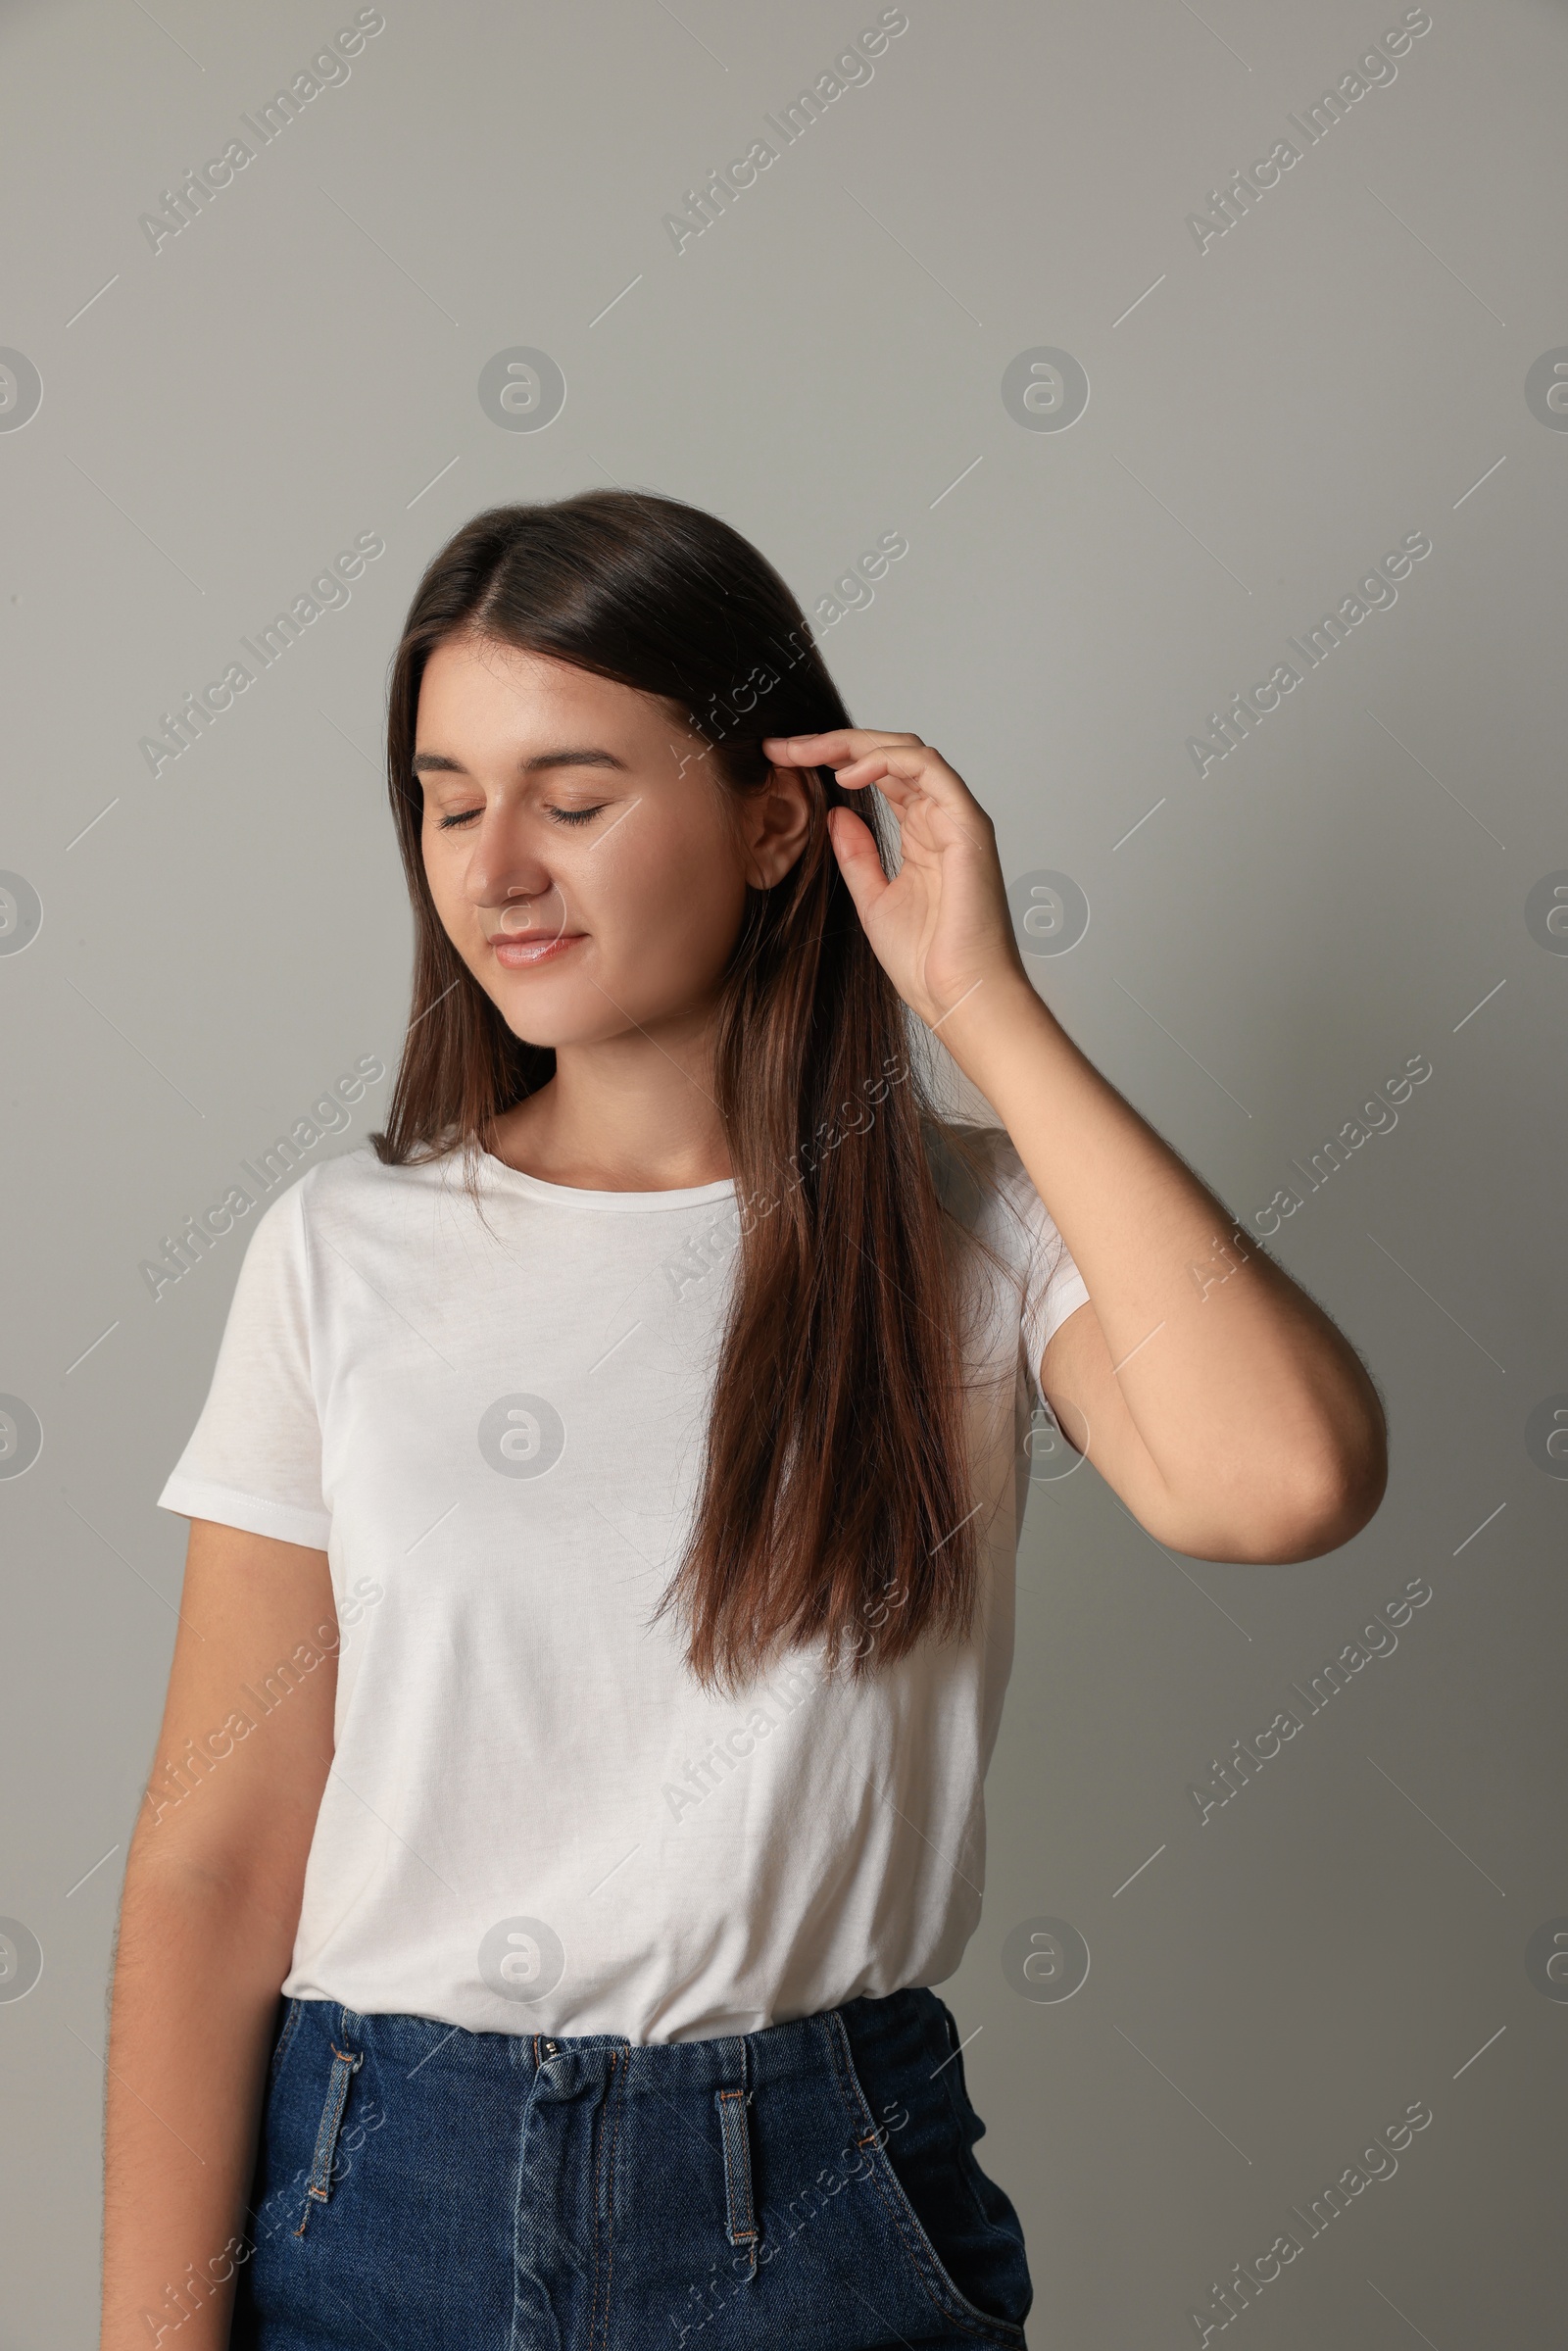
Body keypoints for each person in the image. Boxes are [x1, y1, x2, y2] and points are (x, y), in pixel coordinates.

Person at [99, 490, 1386, 2349]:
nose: (498, 868)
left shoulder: (976, 1234)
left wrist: (979, 998)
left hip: (816, 2206)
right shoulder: (342, 1254)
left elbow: (1286, 1479)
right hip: (377, 2202)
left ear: (777, 820)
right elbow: (215, 1859)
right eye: (449, 802)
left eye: (578, 794)